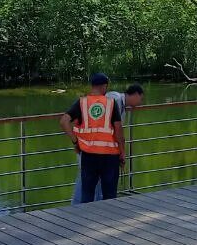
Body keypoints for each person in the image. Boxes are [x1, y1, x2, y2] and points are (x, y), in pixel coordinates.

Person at [72, 83, 145, 203]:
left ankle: (95, 205)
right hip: (91, 147)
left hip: (101, 149)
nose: (140, 103)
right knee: (85, 180)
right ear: (135, 94)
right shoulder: (114, 100)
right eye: (140, 99)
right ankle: (77, 206)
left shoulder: (121, 106)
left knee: (97, 181)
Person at [61, 73, 126, 203]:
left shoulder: (82, 102)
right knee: (110, 196)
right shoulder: (111, 103)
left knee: (87, 194)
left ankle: (85, 220)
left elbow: (64, 121)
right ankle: (109, 221)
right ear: (105, 86)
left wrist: (75, 142)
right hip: (110, 156)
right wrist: (122, 152)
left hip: (88, 154)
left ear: (92, 86)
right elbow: (118, 130)